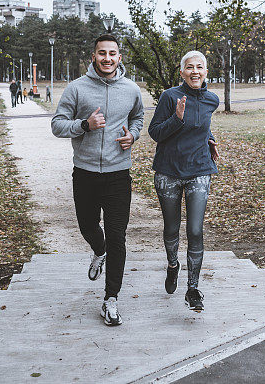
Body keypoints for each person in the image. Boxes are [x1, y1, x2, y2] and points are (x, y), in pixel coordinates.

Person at [51, 34, 145, 326]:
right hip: (86, 173)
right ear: (93, 56)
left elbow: (138, 118)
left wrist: (133, 135)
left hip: (118, 173)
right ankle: (98, 250)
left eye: (112, 53)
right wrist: (84, 125)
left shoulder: (131, 89)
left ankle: (111, 299)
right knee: (88, 226)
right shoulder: (77, 89)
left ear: (120, 57)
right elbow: (57, 125)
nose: (107, 58)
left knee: (118, 235)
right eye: (101, 53)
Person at [148, 50, 219, 312]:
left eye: (199, 67)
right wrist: (177, 118)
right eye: (190, 67)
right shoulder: (170, 97)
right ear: (182, 72)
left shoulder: (212, 99)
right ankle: (172, 265)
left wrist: (209, 139)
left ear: (206, 72)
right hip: (168, 172)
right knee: (171, 229)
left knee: (196, 231)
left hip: (199, 170)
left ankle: (193, 288)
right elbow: (155, 133)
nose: (195, 71)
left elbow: (203, 123)